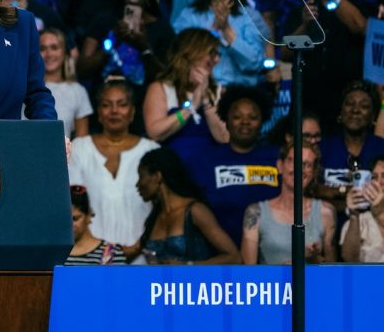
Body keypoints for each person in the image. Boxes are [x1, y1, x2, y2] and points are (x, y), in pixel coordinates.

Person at [181, 85, 280, 247]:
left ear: (263, 121)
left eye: (253, 117)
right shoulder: (205, 160)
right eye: (237, 117)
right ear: (226, 121)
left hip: (271, 255)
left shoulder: (277, 158)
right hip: (221, 254)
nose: (245, 122)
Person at [68, 79, 160, 246]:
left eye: (122, 104)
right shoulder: (79, 149)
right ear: (98, 112)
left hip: (141, 259)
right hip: (90, 260)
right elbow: (71, 206)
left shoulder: (152, 151)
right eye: (106, 105)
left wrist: (137, 248)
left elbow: (164, 208)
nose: (114, 111)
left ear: (132, 112)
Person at [77, 0, 174, 101]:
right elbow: (82, 70)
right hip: (102, 105)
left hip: (143, 108)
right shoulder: (103, 20)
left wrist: (144, 47)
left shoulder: (163, 29)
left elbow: (167, 79)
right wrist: (112, 40)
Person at [241, 123, 336, 264]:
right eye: (293, 162)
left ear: (314, 173)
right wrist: (287, 269)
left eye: (307, 165)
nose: (299, 169)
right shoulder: (256, 213)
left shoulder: (326, 212)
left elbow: (334, 275)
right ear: (280, 166)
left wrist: (315, 261)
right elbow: (247, 276)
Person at [173, 0, 270, 87]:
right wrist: (214, 29)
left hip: (239, 93)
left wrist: (226, 29)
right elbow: (180, 58)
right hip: (198, 91)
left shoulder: (251, 16)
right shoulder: (189, 15)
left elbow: (255, 64)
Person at [136, 147, 242, 264]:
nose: (138, 184)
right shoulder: (154, 218)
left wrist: (188, 267)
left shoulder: (195, 211)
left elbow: (233, 257)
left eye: (141, 176)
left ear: (157, 176)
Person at [143, 28, 229, 149]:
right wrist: (191, 107)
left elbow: (224, 138)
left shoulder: (219, 91)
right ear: (192, 54)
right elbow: (155, 134)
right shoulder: (161, 88)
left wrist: (206, 100)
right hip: (173, 162)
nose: (216, 59)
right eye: (211, 53)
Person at [314, 81, 384, 215]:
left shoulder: (381, 148)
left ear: (373, 117)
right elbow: (310, 190)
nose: (355, 110)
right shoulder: (322, 149)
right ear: (340, 112)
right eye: (349, 104)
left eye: (364, 106)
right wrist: (344, 191)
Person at [39, 27, 91, 139]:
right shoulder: (22, 87)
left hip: (62, 156)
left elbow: (82, 142)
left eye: (54, 47)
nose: (48, 54)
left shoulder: (78, 91)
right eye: (42, 48)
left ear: (65, 53)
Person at [65, 185, 127, 265]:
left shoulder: (111, 253)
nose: (70, 224)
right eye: (65, 220)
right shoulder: (56, 254)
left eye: (75, 219)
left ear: (89, 215)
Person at [341, 155, 384, 262]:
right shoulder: (362, 220)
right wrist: (354, 216)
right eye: (374, 177)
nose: (379, 182)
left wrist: (379, 215)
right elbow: (349, 259)